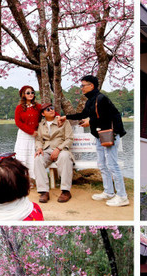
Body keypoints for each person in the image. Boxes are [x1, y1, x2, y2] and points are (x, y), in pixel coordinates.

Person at [60, 75, 129, 207]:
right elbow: (83, 114)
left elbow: (104, 117)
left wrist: (90, 121)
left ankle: (122, 196)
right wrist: (66, 117)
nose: (81, 88)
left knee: (112, 165)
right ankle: (109, 192)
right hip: (99, 136)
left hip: (109, 135)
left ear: (91, 86)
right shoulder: (91, 100)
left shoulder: (101, 99)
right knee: (102, 165)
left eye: (83, 85)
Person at [33, 104, 74, 203]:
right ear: (43, 114)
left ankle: (65, 191)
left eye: (52, 108)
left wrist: (59, 148)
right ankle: (44, 191)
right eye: (48, 109)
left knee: (65, 157)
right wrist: (39, 148)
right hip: (46, 150)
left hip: (61, 149)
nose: (51, 110)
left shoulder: (64, 122)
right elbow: (38, 140)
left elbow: (69, 138)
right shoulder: (41, 125)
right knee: (37, 159)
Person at [13, 85, 40, 180]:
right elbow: (18, 122)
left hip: (34, 136)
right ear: (23, 95)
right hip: (24, 136)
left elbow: (49, 111)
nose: (31, 94)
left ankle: (33, 179)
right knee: (23, 157)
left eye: (32, 92)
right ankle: (23, 179)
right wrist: (30, 131)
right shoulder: (19, 108)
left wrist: (58, 117)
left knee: (33, 157)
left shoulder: (37, 106)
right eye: (28, 93)